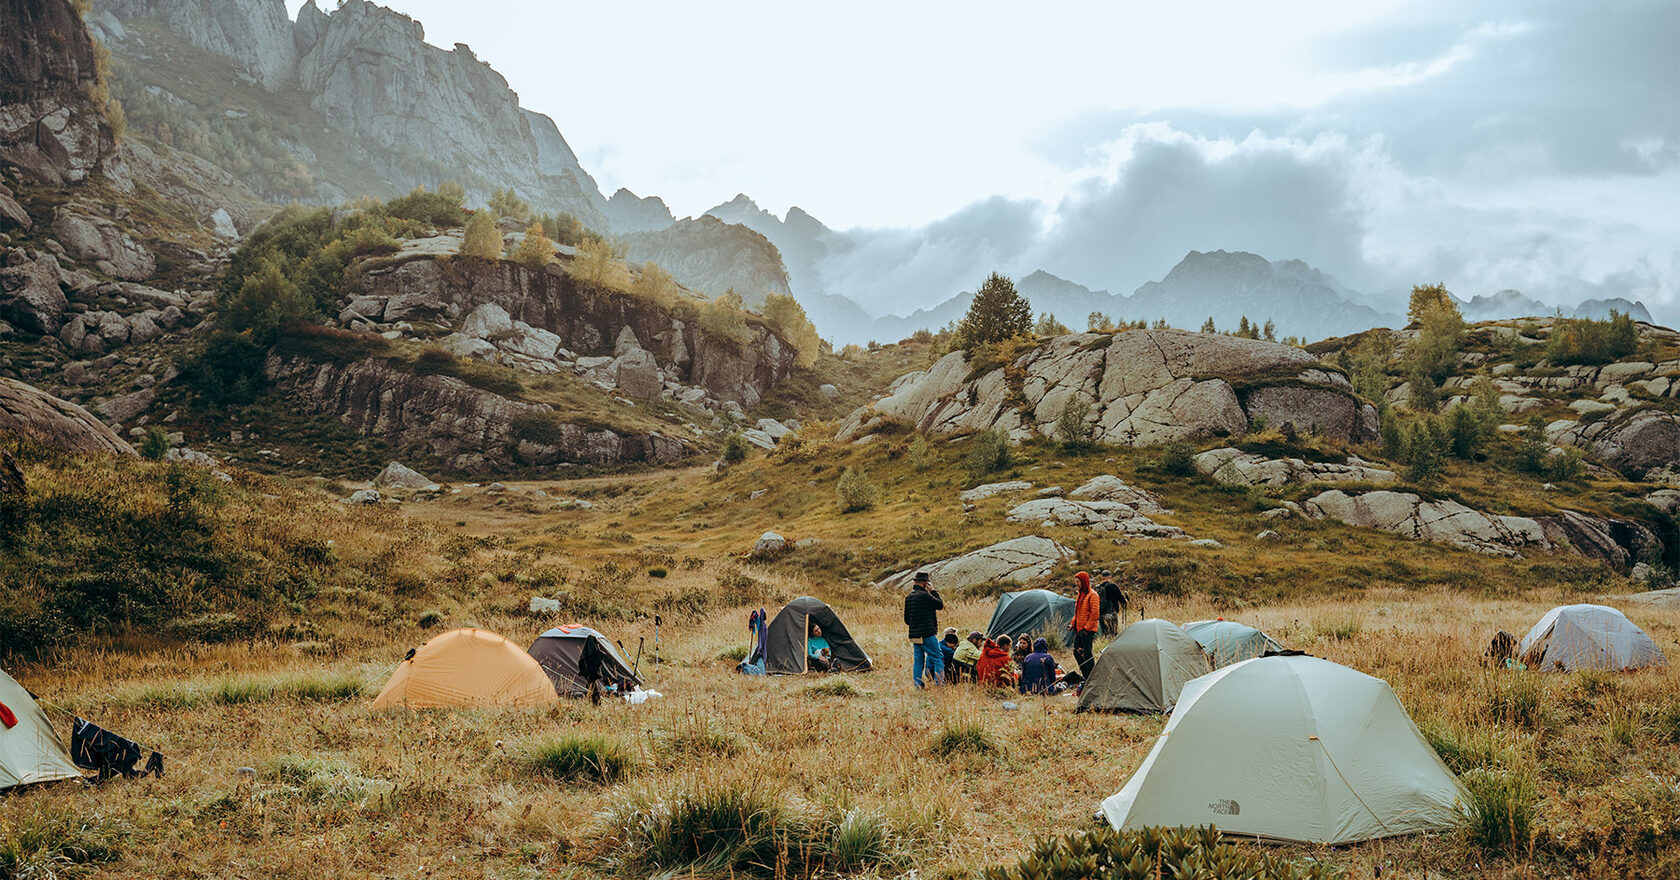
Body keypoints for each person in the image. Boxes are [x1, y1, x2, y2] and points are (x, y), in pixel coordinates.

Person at [903, 571, 945, 687]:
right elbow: (940, 605)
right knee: (938, 657)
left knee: (918, 659)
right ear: (925, 583)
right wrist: (933, 591)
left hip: (914, 634)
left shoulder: (909, 597)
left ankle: (917, 684)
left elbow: (907, 619)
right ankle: (940, 683)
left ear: (915, 582)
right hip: (927, 633)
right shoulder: (925, 595)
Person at [1069, 571, 1099, 681]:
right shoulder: (1080, 594)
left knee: (1087, 653)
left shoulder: (1093, 595)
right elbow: (1078, 612)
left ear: (1084, 581)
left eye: (1078, 582)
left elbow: (1095, 614)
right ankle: (1086, 674)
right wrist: (1072, 624)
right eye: (1076, 582)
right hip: (1079, 629)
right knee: (1077, 651)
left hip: (1087, 630)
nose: (1076, 584)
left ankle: (1091, 676)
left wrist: (1086, 628)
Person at [1098, 570, 1126, 636]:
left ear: (1102, 578)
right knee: (1113, 633)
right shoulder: (1113, 586)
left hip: (1101, 614)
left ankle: (1105, 645)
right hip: (1111, 612)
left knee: (1105, 633)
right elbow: (1121, 599)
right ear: (1110, 577)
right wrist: (1125, 601)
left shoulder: (1099, 588)